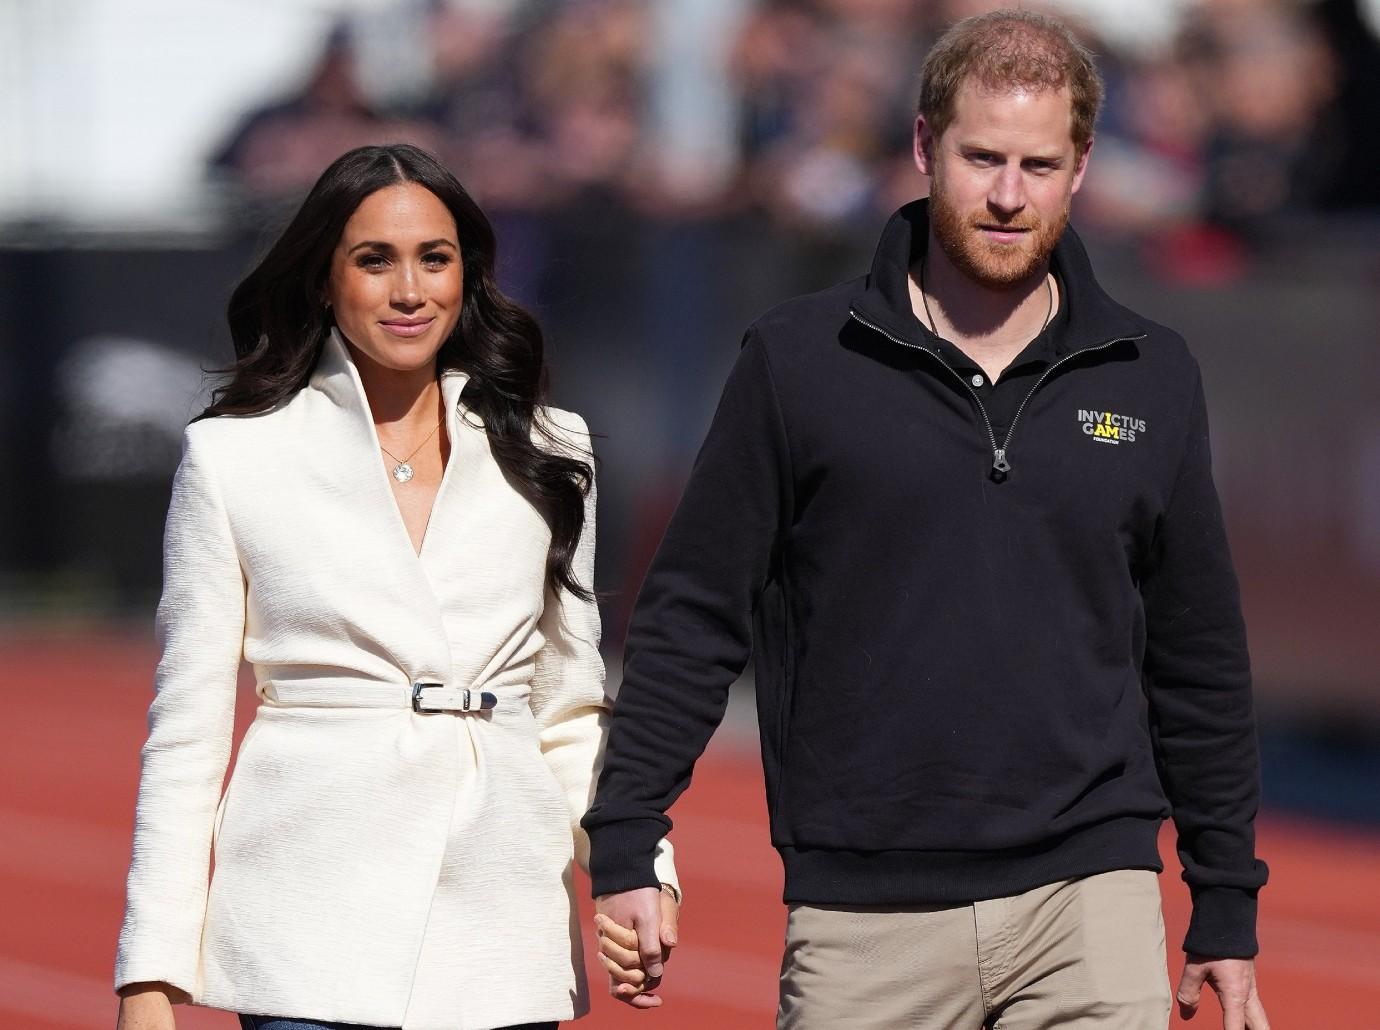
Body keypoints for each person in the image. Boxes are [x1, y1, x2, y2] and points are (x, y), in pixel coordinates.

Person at [584, 10, 1270, 1030]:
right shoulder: (797, 360)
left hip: (1092, 903)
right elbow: (693, 611)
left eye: (1038, 165)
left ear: (1081, 166)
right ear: (921, 146)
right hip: (865, 919)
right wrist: (628, 833)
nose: (1006, 194)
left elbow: (1196, 651)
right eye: (980, 156)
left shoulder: (1153, 373)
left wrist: (1224, 901)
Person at [113, 143, 677, 1030]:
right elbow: (185, 733)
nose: (410, 290)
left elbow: (567, 707)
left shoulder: (552, 448)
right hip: (304, 925)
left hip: (500, 923)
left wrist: (635, 866)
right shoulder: (234, 457)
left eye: (435, 259)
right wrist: (149, 976)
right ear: (324, 278)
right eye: (375, 259)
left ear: (469, 275)